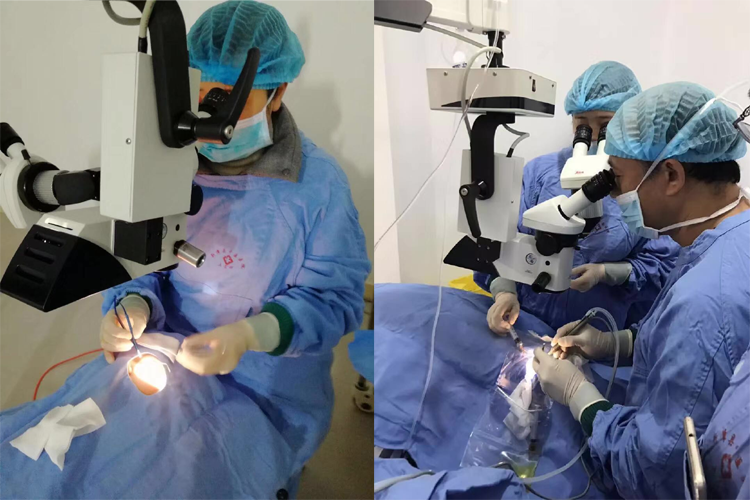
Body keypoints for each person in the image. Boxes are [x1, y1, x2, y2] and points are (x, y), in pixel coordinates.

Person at [99, 0, 369, 480]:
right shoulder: (163, 166)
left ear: (277, 93)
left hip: (267, 386)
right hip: (166, 358)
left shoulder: (319, 188)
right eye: (196, 92)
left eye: (225, 97)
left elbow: (334, 299)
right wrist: (132, 304)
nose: (205, 112)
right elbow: (135, 257)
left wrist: (251, 335)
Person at [531, 82, 750, 499]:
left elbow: (655, 474)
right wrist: (615, 343)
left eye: (615, 179)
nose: (613, 194)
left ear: (671, 175)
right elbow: (714, 354)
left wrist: (580, 397)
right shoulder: (727, 235)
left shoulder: (705, 300)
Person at [475, 61, 680, 334]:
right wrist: (504, 293)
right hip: (527, 324)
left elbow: (664, 265)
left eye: (606, 125)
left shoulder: (642, 184)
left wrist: (607, 273)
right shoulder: (540, 173)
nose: (592, 135)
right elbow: (498, 244)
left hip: (596, 334)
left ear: (629, 125)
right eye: (581, 125)